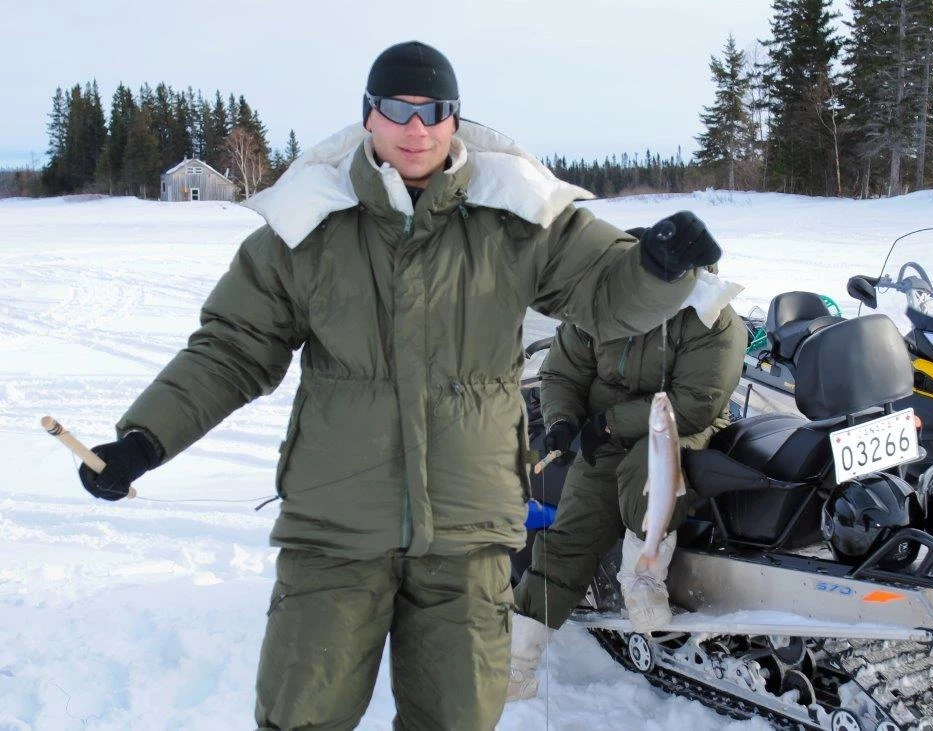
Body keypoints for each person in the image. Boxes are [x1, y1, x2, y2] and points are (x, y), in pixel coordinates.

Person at [77, 41, 722, 731]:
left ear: (454, 121)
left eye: (433, 112)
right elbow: (232, 347)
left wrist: (658, 267)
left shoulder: (518, 220)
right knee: (303, 716)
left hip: (468, 533)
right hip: (335, 528)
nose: (416, 129)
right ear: (369, 118)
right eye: (397, 110)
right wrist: (145, 438)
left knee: (456, 720)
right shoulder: (311, 224)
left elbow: (606, 291)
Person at [507, 241, 746, 702]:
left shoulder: (712, 318)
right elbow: (563, 372)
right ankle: (515, 662)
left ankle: (644, 580)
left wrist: (609, 421)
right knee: (570, 533)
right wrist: (560, 423)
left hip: (678, 428)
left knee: (645, 471)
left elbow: (697, 403)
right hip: (606, 435)